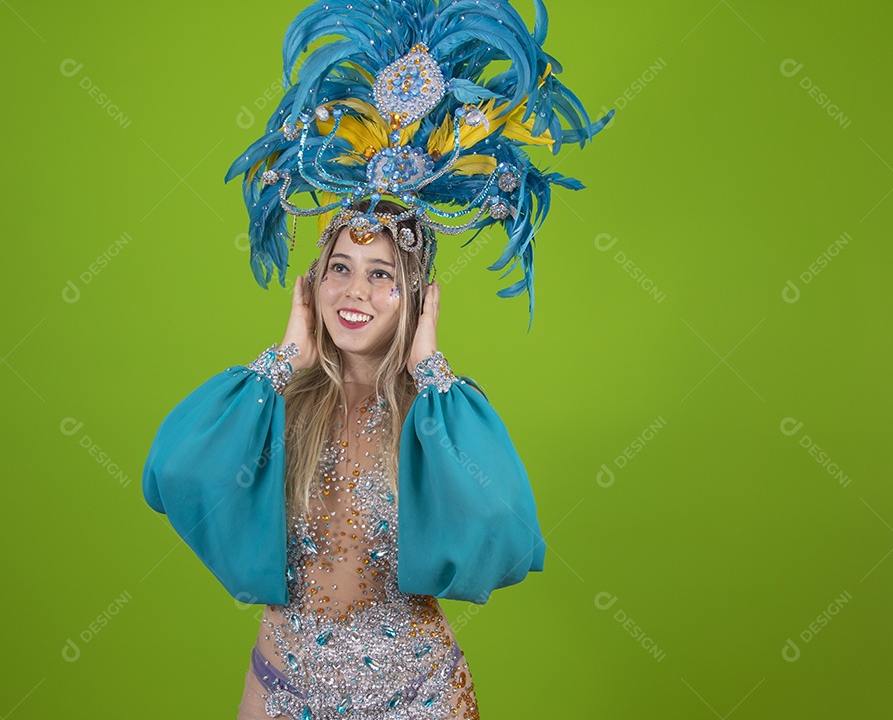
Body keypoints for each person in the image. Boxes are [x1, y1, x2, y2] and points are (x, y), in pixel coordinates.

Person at [142, 1, 611, 716]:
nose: (354, 291)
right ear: (315, 281)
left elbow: (507, 530)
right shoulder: (282, 400)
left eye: (382, 273)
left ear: (416, 296)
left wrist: (431, 370)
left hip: (417, 696)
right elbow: (175, 470)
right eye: (340, 267)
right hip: (285, 689)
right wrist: (285, 356)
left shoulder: (440, 413)